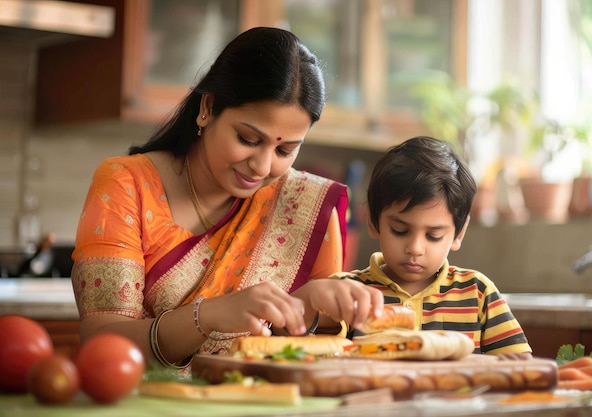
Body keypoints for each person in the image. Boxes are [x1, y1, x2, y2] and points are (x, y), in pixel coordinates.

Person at [71, 27, 383, 369]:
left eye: (285, 149)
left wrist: (307, 306)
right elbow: (101, 344)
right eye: (248, 139)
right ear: (208, 108)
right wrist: (209, 315)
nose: (262, 166)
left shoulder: (305, 204)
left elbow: (317, 357)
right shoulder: (127, 184)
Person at [332, 136, 532, 359]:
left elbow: (521, 366)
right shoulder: (347, 292)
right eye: (400, 230)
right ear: (372, 221)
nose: (415, 248)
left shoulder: (478, 293)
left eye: (434, 236)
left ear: (459, 233)